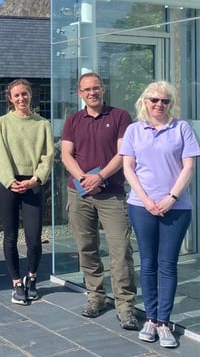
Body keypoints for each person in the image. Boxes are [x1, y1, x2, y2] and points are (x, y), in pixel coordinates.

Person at [120, 81, 200, 348]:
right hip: (141, 206)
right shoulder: (134, 130)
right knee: (148, 262)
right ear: (145, 101)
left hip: (176, 208)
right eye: (154, 100)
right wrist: (146, 200)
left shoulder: (182, 128)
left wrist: (170, 198)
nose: (159, 105)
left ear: (171, 104)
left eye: (165, 101)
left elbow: (188, 167)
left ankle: (164, 322)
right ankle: (151, 319)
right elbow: (129, 168)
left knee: (167, 264)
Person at [61, 72, 139, 330]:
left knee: (120, 249)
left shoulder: (119, 116)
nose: (92, 92)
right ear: (80, 94)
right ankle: (96, 296)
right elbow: (66, 154)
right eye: (87, 89)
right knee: (87, 247)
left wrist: (101, 176)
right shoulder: (73, 120)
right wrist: (84, 178)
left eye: (96, 88)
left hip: (111, 193)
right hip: (80, 192)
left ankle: (125, 305)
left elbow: (122, 153)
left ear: (102, 89)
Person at [0, 79, 54, 305]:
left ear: (30, 95)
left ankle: (32, 278)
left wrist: (35, 179)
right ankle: (16, 282)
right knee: (10, 236)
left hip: (33, 183)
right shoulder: (2, 123)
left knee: (34, 237)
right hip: (8, 184)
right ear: (10, 98)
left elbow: (48, 155)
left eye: (24, 94)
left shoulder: (42, 124)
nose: (21, 99)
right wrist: (10, 181)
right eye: (16, 95)